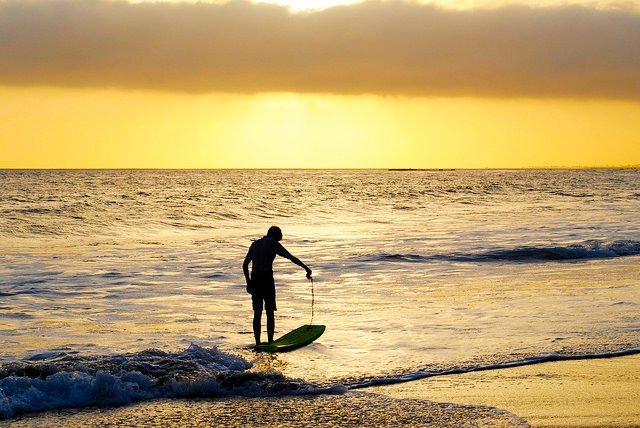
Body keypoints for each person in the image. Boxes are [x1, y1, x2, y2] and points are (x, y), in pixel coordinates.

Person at [243, 226, 312, 346]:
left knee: (257, 312)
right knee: (269, 311)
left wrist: (248, 282)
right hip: (266, 280)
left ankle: (258, 343)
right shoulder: (273, 243)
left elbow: (245, 265)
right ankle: (270, 342)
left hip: (255, 280)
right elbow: (290, 257)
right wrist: (305, 268)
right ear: (277, 236)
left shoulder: (255, 244)